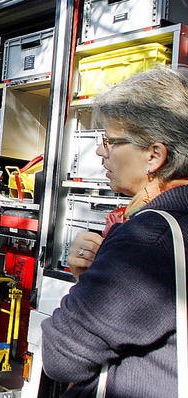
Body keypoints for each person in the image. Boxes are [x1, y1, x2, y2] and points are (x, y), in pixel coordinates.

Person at [42, 65, 188, 397]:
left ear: (154, 155)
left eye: (110, 141)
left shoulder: (151, 239)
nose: (99, 151)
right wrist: (90, 277)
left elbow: (61, 356)